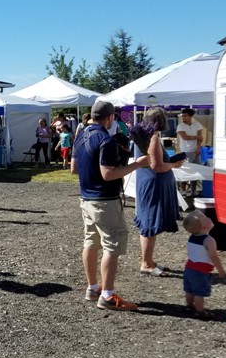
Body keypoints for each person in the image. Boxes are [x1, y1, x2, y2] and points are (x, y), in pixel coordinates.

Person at [71, 100, 151, 311]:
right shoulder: (105, 139)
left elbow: (74, 169)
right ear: (109, 118)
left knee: (90, 241)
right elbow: (108, 175)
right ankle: (107, 295)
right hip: (104, 200)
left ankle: (92, 287)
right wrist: (137, 164)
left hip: (86, 198)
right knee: (112, 243)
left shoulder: (80, 137)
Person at [134, 107, 185, 277]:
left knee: (149, 222)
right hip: (154, 184)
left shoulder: (144, 135)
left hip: (148, 182)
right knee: (150, 223)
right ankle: (146, 263)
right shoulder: (153, 137)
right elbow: (157, 166)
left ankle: (148, 260)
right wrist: (174, 165)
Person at [181, 210, 226, 319]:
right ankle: (200, 311)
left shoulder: (192, 237)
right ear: (204, 227)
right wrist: (221, 270)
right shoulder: (209, 240)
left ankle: (189, 306)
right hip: (200, 271)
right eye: (206, 218)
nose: (209, 218)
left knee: (189, 290)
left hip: (189, 268)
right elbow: (213, 256)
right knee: (199, 292)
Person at [176, 107, 205, 197]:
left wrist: (198, 148)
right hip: (186, 151)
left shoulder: (197, 124)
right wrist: (196, 137)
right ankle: (183, 190)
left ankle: (193, 190)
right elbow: (185, 137)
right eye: (183, 116)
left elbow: (201, 138)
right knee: (186, 171)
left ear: (191, 116)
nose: (183, 118)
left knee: (196, 172)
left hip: (195, 151)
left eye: (185, 116)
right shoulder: (180, 126)